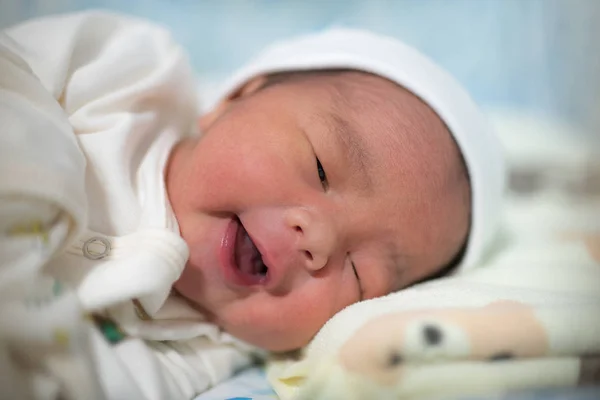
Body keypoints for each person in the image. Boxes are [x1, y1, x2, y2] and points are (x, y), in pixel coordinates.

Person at [0, 10, 504, 399]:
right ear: (236, 97)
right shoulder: (125, 79)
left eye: (359, 276)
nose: (320, 240)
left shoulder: (204, 354)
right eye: (322, 167)